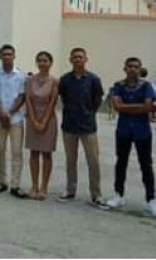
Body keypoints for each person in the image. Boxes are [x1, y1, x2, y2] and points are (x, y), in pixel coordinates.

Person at [106, 57, 156, 217]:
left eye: (136, 66)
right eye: (130, 66)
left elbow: (149, 106)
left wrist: (127, 107)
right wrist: (139, 107)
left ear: (140, 69)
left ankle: (151, 200)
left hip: (142, 130)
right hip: (123, 129)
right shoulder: (118, 85)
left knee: (146, 164)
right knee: (121, 162)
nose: (132, 69)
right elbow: (117, 106)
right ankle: (118, 194)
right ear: (125, 68)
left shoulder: (146, 86)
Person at [57, 47, 108, 209]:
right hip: (69, 126)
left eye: (80, 57)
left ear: (86, 59)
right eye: (75, 57)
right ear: (70, 60)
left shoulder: (93, 79)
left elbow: (97, 100)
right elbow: (63, 98)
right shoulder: (64, 80)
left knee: (93, 161)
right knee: (70, 160)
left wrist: (88, 113)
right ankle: (70, 190)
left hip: (88, 126)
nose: (78, 60)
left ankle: (96, 194)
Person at [0, 44, 28, 199]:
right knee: (0, 151)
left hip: (16, 118)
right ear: (0, 56)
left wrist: (10, 112)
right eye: (4, 54)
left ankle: (15, 185)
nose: (7, 56)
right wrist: (1, 113)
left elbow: (21, 96)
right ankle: (2, 181)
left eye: (9, 54)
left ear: (14, 56)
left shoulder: (20, 75)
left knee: (17, 152)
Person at [25, 51, 58, 201]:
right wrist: (33, 120)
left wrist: (44, 121)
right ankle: (34, 186)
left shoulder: (54, 81)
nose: (42, 63)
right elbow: (28, 101)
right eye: (40, 60)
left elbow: (53, 102)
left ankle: (44, 186)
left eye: (45, 61)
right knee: (33, 153)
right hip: (32, 118)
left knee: (46, 154)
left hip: (48, 119)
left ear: (50, 63)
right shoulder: (30, 80)